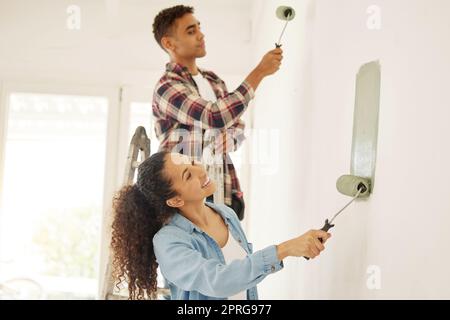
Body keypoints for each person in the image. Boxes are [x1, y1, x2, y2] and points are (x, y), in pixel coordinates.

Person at [111, 151, 332, 300]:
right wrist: (285, 249)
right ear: (175, 200)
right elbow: (218, 281)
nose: (201, 170)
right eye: (188, 176)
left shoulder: (226, 214)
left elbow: (245, 278)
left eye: (193, 162)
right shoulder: (168, 242)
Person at [151, 5, 284, 220]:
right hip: (182, 199)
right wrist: (259, 72)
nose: (201, 35)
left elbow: (236, 125)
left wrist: (230, 138)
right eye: (190, 31)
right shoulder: (167, 86)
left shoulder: (213, 80)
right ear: (169, 43)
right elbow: (215, 116)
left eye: (199, 28)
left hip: (219, 189)